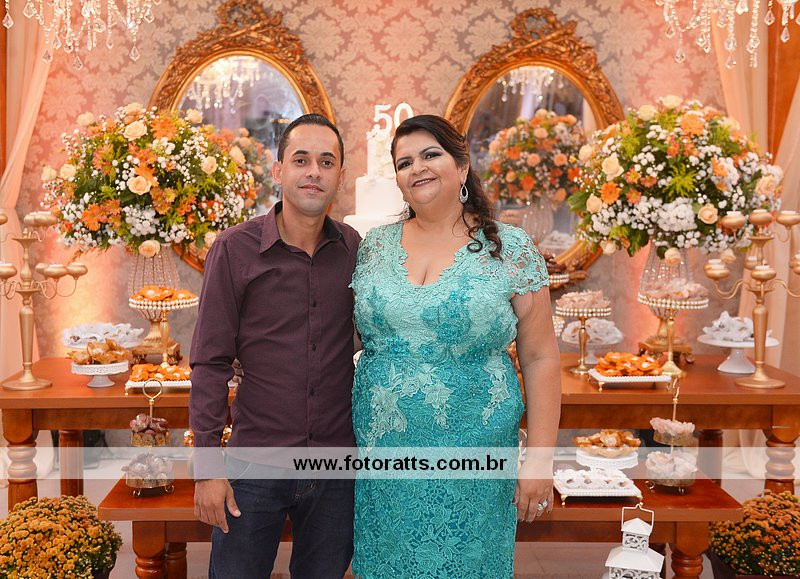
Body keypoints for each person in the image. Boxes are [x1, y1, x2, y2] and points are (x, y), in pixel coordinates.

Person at [350, 114, 561, 577]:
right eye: (404, 162)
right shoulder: (373, 248)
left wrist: (539, 460)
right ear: (398, 181)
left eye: (431, 154)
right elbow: (346, 336)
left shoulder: (511, 248)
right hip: (385, 454)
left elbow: (541, 357)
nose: (418, 168)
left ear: (462, 166)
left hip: (476, 454)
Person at [189, 114, 361, 578]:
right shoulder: (235, 249)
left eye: (326, 162)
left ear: (340, 176)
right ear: (278, 169)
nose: (314, 172)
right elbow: (209, 362)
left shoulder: (353, 248)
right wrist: (208, 467)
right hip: (255, 463)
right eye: (301, 160)